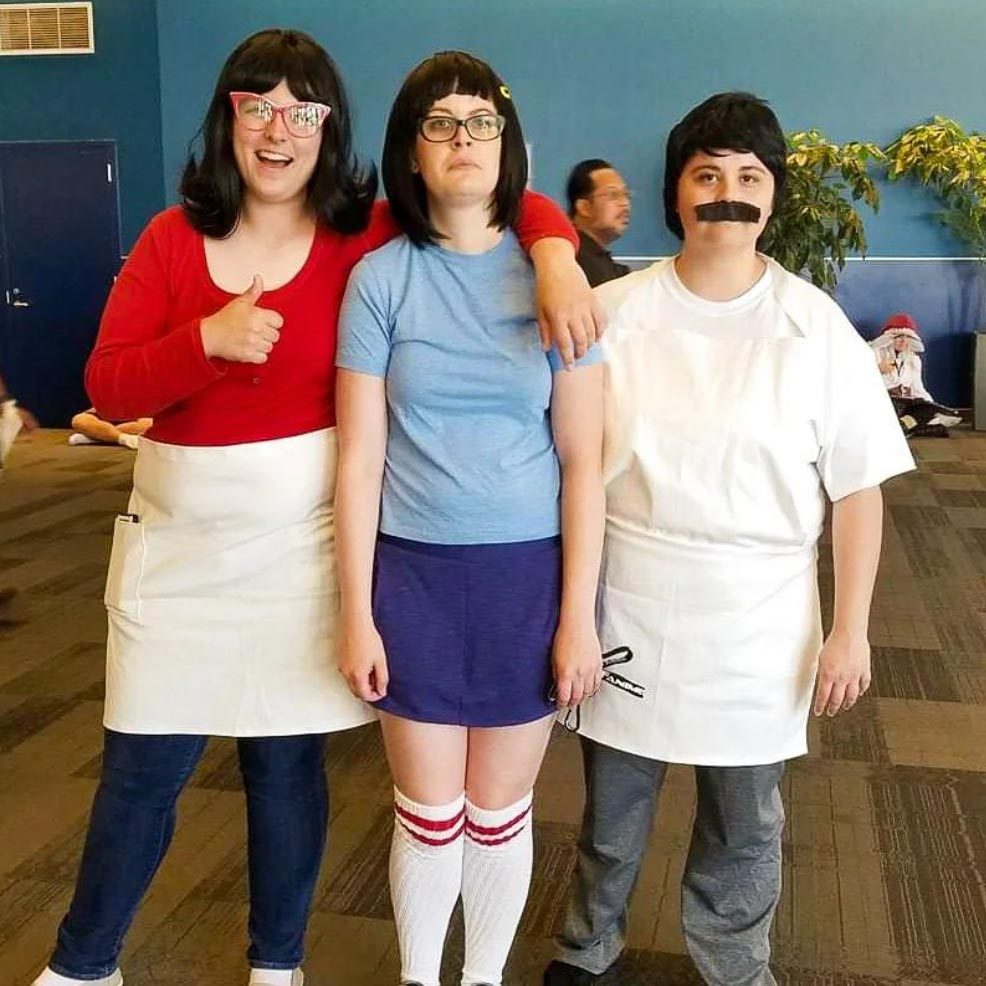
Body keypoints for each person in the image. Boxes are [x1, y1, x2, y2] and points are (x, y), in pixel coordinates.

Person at [30, 28, 597, 986]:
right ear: (229, 121)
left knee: (283, 769)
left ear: (328, 129)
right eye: (259, 106)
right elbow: (105, 385)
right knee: (141, 767)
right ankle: (85, 967)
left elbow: (489, 189)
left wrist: (554, 252)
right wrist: (204, 337)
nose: (280, 129)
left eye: (303, 108)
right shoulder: (174, 239)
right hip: (181, 551)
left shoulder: (362, 234)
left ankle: (277, 967)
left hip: (304, 544)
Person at [544, 92, 915, 986]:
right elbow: (572, 472)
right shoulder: (611, 311)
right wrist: (571, 615)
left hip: (762, 613)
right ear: (678, 193)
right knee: (611, 815)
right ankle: (585, 951)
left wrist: (850, 629)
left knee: (747, 824)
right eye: (706, 174)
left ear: (774, 196)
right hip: (627, 592)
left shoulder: (813, 323)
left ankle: (737, 967)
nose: (728, 194)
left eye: (749, 177)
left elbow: (858, 488)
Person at [334, 51, 606, 986]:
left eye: (481, 123)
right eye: (440, 124)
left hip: (525, 578)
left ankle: (482, 977)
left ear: (508, 144)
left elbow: (585, 463)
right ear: (413, 151)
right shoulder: (378, 281)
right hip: (409, 574)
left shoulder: (554, 282)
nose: (463, 139)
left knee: (499, 808)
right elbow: (359, 457)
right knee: (426, 805)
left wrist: (579, 618)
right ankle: (421, 978)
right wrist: (355, 610)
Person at [870, 312, 962, 436]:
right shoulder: (874, 353)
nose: (903, 340)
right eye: (898, 336)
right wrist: (878, 369)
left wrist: (930, 405)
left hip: (907, 403)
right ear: (889, 338)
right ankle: (909, 429)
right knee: (899, 413)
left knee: (930, 410)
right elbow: (859, 380)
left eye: (907, 337)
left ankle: (902, 427)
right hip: (885, 401)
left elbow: (918, 388)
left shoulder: (913, 359)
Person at [566, 159, 631, 286]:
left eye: (626, 195)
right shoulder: (574, 260)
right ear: (583, 207)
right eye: (613, 195)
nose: (625, 204)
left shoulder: (597, 258)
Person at [69, 408, 153, 449]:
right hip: (105, 414)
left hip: (136, 417)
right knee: (78, 420)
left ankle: (95, 438)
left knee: (149, 424)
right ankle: (122, 438)